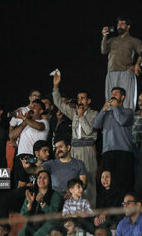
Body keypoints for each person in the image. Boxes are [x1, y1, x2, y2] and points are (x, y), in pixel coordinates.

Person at [53, 72, 98, 207]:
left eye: (83, 98)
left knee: (88, 182)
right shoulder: (74, 113)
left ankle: (91, 213)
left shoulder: (95, 114)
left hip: (87, 149)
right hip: (74, 150)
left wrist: (80, 116)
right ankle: (76, 215)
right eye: (78, 98)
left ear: (88, 101)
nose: (79, 101)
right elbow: (59, 104)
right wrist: (56, 86)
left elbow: (89, 131)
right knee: (74, 182)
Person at [93, 87, 134, 192]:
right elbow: (96, 124)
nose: (113, 95)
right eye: (112, 93)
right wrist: (103, 109)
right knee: (108, 184)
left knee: (122, 182)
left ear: (123, 97)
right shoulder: (106, 114)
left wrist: (115, 108)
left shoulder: (128, 112)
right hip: (108, 152)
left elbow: (122, 121)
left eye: (116, 93)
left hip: (123, 152)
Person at [101, 16, 142, 110]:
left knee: (127, 100)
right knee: (110, 100)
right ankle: (111, 122)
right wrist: (104, 36)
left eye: (122, 24)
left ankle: (127, 122)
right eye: (118, 24)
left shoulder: (134, 40)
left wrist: (137, 65)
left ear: (128, 26)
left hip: (126, 72)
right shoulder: (112, 40)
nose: (119, 26)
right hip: (111, 72)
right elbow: (103, 51)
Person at [22, 137, 87, 197]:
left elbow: (83, 184)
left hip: (73, 199)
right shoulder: (51, 163)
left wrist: (72, 192)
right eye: (56, 148)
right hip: (54, 200)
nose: (58, 150)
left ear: (68, 147)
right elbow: (34, 171)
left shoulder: (79, 163)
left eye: (60, 147)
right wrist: (27, 167)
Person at [9, 99, 49, 188]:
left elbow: (39, 127)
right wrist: (23, 122)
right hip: (21, 157)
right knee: (20, 184)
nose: (31, 108)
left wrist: (25, 118)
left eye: (34, 107)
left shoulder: (44, 122)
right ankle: (21, 201)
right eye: (30, 107)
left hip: (33, 157)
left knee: (29, 184)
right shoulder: (26, 123)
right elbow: (12, 136)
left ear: (41, 111)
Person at [18, 170, 62, 236]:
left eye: (44, 178)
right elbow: (23, 214)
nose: (41, 179)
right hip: (31, 222)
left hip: (48, 223)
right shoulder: (31, 194)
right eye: (39, 177)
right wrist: (29, 204)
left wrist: (42, 203)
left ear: (49, 180)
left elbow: (53, 215)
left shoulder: (55, 195)